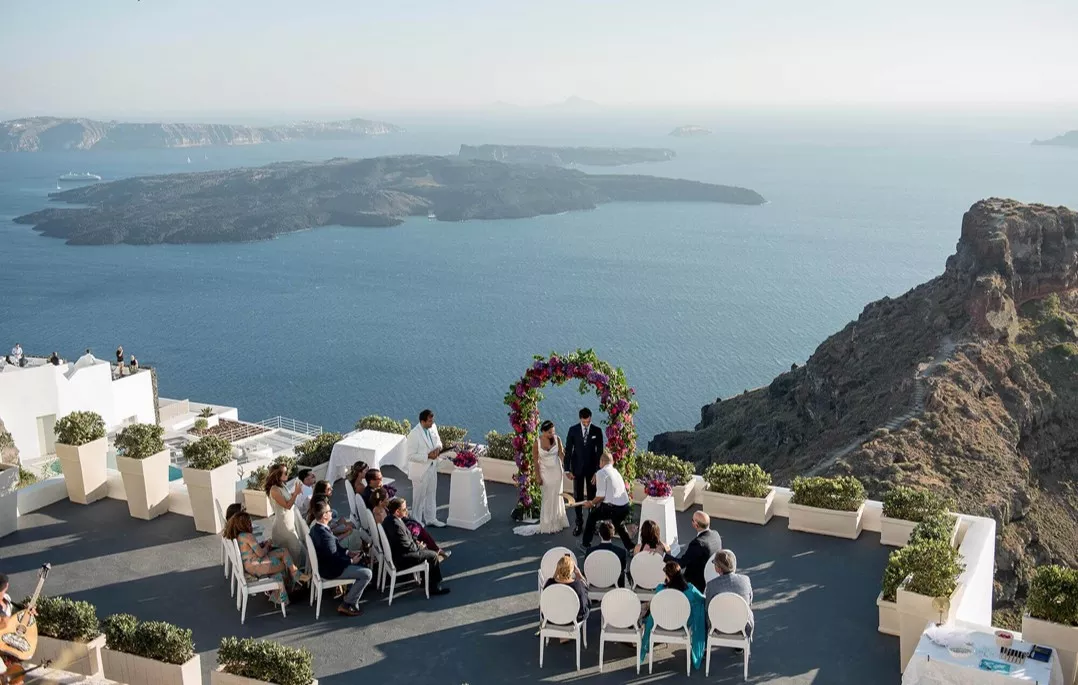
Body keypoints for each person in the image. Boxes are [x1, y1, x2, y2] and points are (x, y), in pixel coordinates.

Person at [223, 512, 307, 606]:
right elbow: (261, 553)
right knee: (283, 563)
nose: (251, 524)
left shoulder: (239, 536)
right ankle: (282, 592)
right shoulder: (248, 536)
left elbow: (253, 551)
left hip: (250, 565)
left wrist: (263, 545)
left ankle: (288, 583)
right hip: (256, 565)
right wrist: (267, 544)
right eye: (249, 522)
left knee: (283, 552)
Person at [309, 500, 373, 617]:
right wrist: (351, 561)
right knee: (367, 574)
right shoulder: (325, 535)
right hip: (332, 570)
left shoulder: (315, 529)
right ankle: (348, 603)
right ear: (324, 515)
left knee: (361, 562)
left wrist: (349, 552)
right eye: (329, 511)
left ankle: (350, 591)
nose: (331, 513)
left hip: (326, 566)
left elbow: (334, 548)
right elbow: (334, 559)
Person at [641, 562, 707, 669]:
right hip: (683, 624)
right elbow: (703, 600)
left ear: (667, 576)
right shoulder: (690, 589)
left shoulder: (660, 589)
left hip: (663, 623)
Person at [382, 497, 450, 595]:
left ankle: (425, 581)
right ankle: (434, 587)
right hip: (402, 558)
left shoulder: (389, 519)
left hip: (398, 552)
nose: (407, 511)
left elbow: (404, 541)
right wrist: (419, 547)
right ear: (397, 511)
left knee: (426, 552)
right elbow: (406, 546)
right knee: (433, 555)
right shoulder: (396, 525)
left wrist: (415, 542)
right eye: (404, 509)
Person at [513, 420, 569, 536]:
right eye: (549, 432)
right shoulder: (536, 443)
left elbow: (561, 455)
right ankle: (547, 523)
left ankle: (557, 521)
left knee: (557, 496)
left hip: (557, 472)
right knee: (547, 497)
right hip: (544, 472)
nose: (552, 434)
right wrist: (538, 476)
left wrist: (568, 466)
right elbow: (536, 462)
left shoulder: (557, 439)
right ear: (543, 432)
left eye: (553, 432)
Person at [580, 452, 633, 553]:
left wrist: (591, 503)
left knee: (592, 516)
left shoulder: (601, 473)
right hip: (625, 506)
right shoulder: (615, 471)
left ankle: (585, 544)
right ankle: (630, 547)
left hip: (613, 508)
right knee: (619, 524)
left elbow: (600, 496)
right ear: (611, 462)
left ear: (602, 461)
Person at [564, 408, 604, 536]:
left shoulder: (597, 431)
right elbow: (569, 451)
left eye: (588, 422)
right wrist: (567, 469)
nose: (586, 424)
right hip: (577, 469)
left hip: (592, 470)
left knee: (592, 497)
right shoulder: (573, 430)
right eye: (584, 422)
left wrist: (598, 472)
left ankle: (591, 525)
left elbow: (600, 453)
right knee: (578, 497)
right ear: (580, 419)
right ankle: (579, 523)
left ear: (591, 418)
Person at [405, 409, 445, 527]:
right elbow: (410, 456)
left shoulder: (433, 427)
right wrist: (427, 456)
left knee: (431, 494)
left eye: (432, 420)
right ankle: (416, 519)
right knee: (419, 496)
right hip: (420, 470)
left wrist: (438, 448)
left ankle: (431, 518)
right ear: (422, 421)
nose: (432, 423)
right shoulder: (413, 434)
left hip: (432, 467)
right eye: (429, 421)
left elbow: (439, 442)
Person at [666, 512, 722, 592]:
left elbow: (681, 563)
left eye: (692, 520)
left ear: (696, 525)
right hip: (710, 577)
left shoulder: (698, 544)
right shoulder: (716, 535)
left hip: (695, 583)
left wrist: (663, 554)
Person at [704, 549, 754, 639]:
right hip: (743, 626)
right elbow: (749, 602)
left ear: (718, 568)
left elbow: (707, 607)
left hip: (718, 627)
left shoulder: (711, 585)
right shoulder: (745, 580)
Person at [265, 463, 305, 563]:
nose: (288, 474)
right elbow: (287, 505)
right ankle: (295, 574)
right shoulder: (274, 490)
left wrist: (294, 493)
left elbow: (286, 498)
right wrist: (295, 493)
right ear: (278, 475)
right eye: (285, 473)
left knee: (293, 551)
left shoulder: (282, 485)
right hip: (283, 526)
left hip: (288, 523)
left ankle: (295, 573)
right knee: (295, 549)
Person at [542, 554, 590, 623]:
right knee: (587, 601)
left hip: (551, 619)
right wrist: (579, 574)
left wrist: (555, 574)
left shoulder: (549, 583)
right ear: (572, 570)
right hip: (572, 621)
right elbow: (584, 599)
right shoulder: (578, 585)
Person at [585, 521, 627, 586]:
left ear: (599, 534)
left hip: (595, 582)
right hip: (613, 584)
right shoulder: (621, 552)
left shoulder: (590, 551)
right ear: (613, 534)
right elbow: (622, 569)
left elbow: (586, 568)